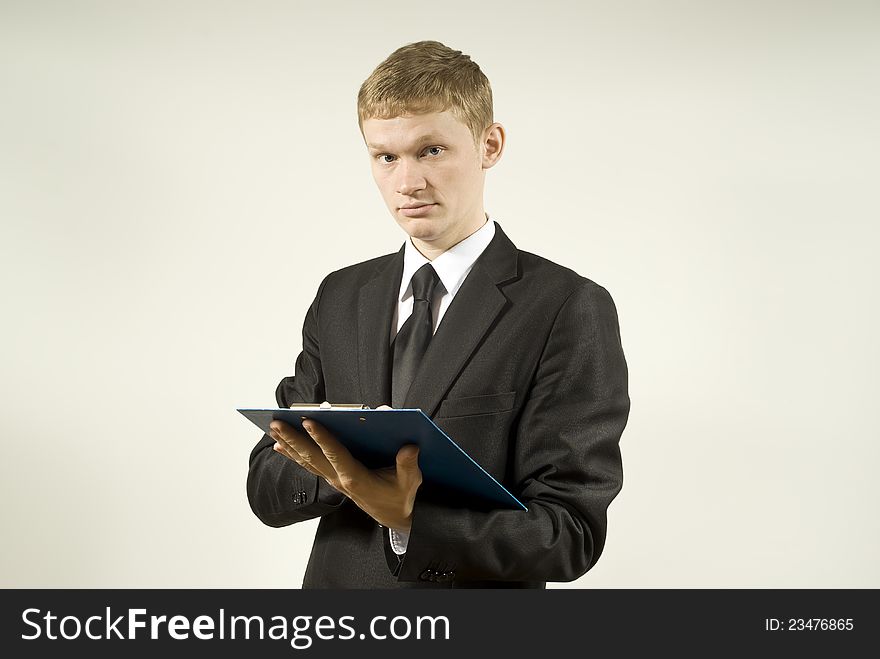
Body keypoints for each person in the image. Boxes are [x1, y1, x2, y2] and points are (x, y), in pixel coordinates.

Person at [246, 40, 629, 588]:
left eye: (430, 150)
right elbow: (266, 488)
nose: (407, 183)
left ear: (489, 145)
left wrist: (410, 519)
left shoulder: (566, 307)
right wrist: (344, 472)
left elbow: (570, 534)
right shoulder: (341, 295)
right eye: (386, 156)